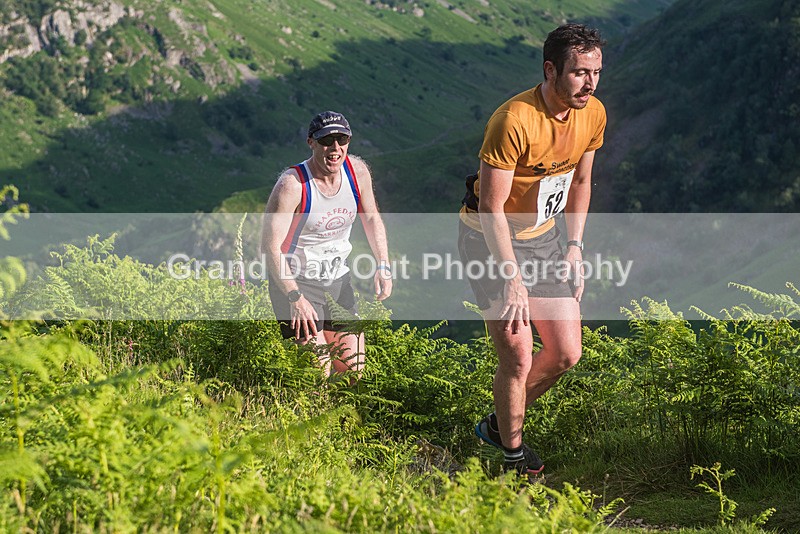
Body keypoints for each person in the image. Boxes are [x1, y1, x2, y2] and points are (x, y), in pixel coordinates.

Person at [458, 24, 606, 477]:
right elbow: (490, 207)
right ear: (550, 69)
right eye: (579, 72)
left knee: (565, 352)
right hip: (488, 238)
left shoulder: (593, 113)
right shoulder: (513, 120)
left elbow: (580, 181)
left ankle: (498, 426)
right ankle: (514, 459)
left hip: (544, 237)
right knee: (518, 354)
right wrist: (512, 277)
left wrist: (576, 246)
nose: (590, 83)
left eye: (596, 72)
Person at [261, 111, 392, 378]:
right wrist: (294, 297)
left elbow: (372, 219)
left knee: (352, 370)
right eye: (326, 141)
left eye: (341, 139)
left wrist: (383, 264)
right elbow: (269, 247)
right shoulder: (292, 185)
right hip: (297, 282)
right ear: (311, 142)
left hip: (337, 279)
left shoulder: (358, 173)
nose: (335, 149)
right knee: (317, 371)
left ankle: (344, 420)